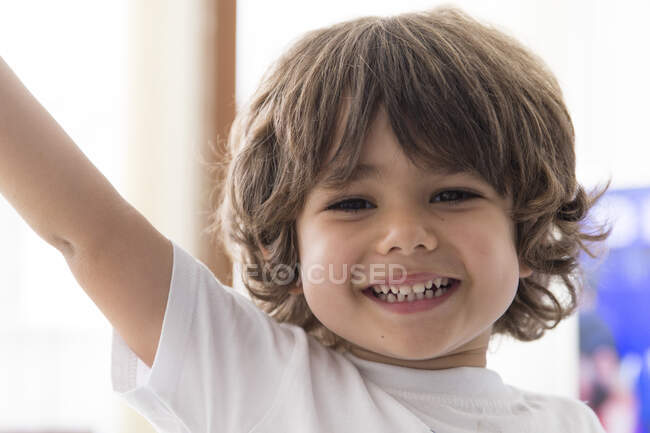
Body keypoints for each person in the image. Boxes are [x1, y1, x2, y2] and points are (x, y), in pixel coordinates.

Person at [0, 6, 611, 432]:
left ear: (528, 231)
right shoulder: (256, 379)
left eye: (452, 194)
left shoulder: (572, 423)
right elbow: (91, 231)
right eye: (352, 203)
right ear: (281, 251)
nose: (406, 235)